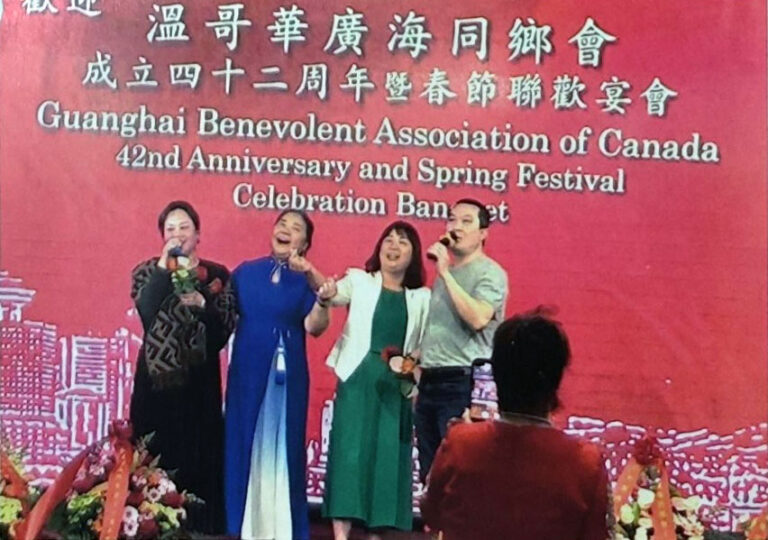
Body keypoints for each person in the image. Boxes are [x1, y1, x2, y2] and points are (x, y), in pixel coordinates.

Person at [421, 308, 611, 540]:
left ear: (496, 373)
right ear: (557, 377)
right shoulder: (584, 461)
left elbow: (432, 513)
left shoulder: (460, 442)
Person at [224, 209, 332, 540]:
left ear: (305, 243)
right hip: (246, 370)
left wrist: (320, 298)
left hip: (287, 374)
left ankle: (282, 528)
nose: (285, 230)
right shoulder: (245, 272)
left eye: (295, 228)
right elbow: (223, 317)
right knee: (244, 439)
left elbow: (315, 327)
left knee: (284, 443)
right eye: (282, 224)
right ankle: (243, 525)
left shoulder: (306, 281)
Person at [320, 221, 431, 540]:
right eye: (389, 240)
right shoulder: (359, 280)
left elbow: (427, 341)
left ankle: (375, 534)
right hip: (358, 376)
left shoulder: (422, 298)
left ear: (413, 255)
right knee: (349, 453)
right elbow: (334, 294)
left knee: (386, 458)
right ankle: (340, 535)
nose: (393, 246)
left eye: (402, 242)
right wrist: (322, 288)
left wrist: (414, 364)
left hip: (396, 384)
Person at [130, 200, 235, 534]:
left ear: (198, 234)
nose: (177, 234)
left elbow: (223, 329)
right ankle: (148, 525)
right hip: (155, 381)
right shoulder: (147, 270)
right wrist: (165, 266)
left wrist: (204, 305)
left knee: (199, 455)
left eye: (184, 227)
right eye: (170, 229)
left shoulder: (217, 276)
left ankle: (198, 527)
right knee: (151, 454)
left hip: (198, 381)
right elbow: (147, 312)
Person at [415, 199, 508, 481]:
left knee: (461, 471)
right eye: (452, 219)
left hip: (463, 383)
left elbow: (478, 318)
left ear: (483, 233)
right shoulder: (446, 277)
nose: (456, 227)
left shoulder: (490, 272)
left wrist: (444, 272)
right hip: (430, 381)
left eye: (466, 221)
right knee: (432, 474)